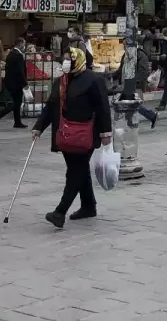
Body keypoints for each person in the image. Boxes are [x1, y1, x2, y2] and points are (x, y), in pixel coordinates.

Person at [33, 46, 113, 228]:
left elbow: (103, 107)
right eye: (65, 58)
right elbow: (51, 106)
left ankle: (60, 211)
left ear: (79, 59)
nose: (67, 62)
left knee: (75, 171)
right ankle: (88, 206)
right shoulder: (61, 81)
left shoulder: (94, 80)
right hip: (65, 133)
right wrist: (38, 127)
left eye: (70, 58)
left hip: (86, 133)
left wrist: (106, 132)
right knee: (79, 169)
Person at [0, 37, 29, 128]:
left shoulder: (11, 53)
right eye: (24, 44)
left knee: (16, 102)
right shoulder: (18, 55)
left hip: (10, 82)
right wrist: (24, 83)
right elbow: (20, 71)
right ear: (20, 44)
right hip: (16, 83)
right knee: (15, 103)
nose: (24, 46)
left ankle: (17, 122)